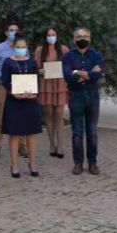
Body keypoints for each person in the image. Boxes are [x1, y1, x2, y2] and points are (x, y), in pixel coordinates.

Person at [62, 27, 104, 176]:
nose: (82, 39)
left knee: (92, 132)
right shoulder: (68, 57)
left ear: (90, 39)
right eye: (79, 36)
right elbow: (68, 76)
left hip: (92, 96)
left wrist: (78, 72)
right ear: (74, 40)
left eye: (85, 36)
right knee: (77, 132)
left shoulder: (96, 55)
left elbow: (99, 73)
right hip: (76, 96)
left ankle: (92, 163)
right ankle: (78, 163)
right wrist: (89, 73)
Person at [1, 34, 42, 178]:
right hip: (14, 102)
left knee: (31, 134)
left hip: (30, 102)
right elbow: (5, 81)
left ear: (27, 48)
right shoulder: (7, 62)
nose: (20, 49)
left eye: (23, 47)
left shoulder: (31, 62)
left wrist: (35, 93)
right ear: (13, 47)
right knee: (15, 134)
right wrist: (13, 92)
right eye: (18, 47)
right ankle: (14, 165)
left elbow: (37, 80)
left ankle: (32, 163)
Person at [0, 22, 27, 160]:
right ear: (6, 32)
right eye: (11, 30)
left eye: (16, 30)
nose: (13, 33)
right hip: (2, 86)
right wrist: (3, 74)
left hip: (19, 85)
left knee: (20, 115)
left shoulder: (22, 48)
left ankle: (22, 145)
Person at [34, 26, 69, 158]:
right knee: (48, 114)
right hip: (46, 85)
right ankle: (52, 144)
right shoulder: (39, 50)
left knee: (59, 115)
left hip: (60, 85)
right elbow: (35, 68)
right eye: (49, 34)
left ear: (57, 35)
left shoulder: (64, 50)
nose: (51, 37)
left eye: (53, 34)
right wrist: (40, 71)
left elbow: (68, 67)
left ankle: (60, 145)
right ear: (45, 36)